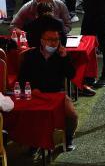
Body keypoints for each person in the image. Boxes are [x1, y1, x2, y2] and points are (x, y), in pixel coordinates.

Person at [18, 18, 77, 150]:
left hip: (57, 94)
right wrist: (32, 90)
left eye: (56, 40)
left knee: (72, 115)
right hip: (35, 93)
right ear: (42, 40)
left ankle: (68, 138)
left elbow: (72, 75)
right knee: (25, 114)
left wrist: (65, 58)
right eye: (49, 39)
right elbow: (21, 78)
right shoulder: (31, 55)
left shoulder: (61, 55)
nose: (53, 43)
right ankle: (33, 141)